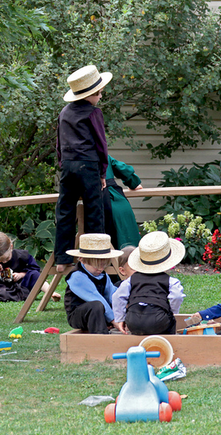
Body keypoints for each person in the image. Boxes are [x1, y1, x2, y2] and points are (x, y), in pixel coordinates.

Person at [54, 65, 111, 273]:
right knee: (94, 210)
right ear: (91, 95)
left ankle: (62, 259)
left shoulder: (64, 112)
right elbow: (101, 145)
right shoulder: (94, 113)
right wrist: (103, 172)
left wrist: (64, 164)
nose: (101, 96)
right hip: (88, 165)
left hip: (68, 165)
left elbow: (59, 144)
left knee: (65, 210)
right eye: (99, 92)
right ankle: (94, 259)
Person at [112, 232, 185, 335]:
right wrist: (173, 312)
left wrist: (120, 319)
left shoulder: (131, 280)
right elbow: (176, 296)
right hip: (158, 320)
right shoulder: (170, 281)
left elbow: (117, 297)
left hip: (133, 321)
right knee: (171, 321)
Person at [0, 232, 59, 302]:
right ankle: (11, 296)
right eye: (0, 260)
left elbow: (35, 269)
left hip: (22, 286)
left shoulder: (22, 256)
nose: (4, 262)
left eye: (6, 258)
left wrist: (21, 275)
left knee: (35, 275)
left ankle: (51, 293)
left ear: (11, 247)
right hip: (1, 288)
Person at [64, 233, 121, 334]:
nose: (101, 269)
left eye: (103, 265)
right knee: (96, 306)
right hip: (80, 314)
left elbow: (112, 294)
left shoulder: (102, 274)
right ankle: (100, 335)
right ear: (82, 259)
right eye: (96, 266)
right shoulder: (77, 276)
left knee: (121, 287)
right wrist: (114, 320)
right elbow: (96, 297)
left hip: (100, 312)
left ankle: (105, 325)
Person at [103, 155, 143, 249]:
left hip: (101, 203)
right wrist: (134, 183)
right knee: (130, 247)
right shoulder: (103, 155)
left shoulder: (80, 158)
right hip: (119, 202)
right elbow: (123, 169)